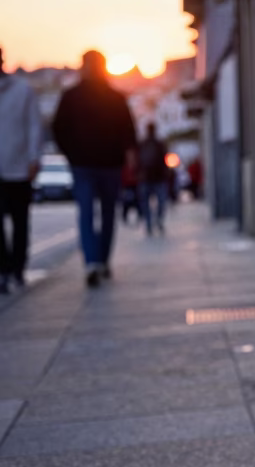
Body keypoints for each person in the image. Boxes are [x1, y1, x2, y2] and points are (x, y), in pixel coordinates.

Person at [52, 50, 137, 287]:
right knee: (105, 213)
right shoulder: (114, 97)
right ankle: (98, 260)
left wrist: (70, 153)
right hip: (102, 163)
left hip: (90, 163)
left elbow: (58, 129)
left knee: (89, 212)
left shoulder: (73, 96)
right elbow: (129, 131)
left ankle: (94, 261)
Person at [0, 46, 42, 294]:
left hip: (19, 166)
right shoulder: (23, 89)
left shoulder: (22, 90)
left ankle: (16, 267)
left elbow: (34, 125)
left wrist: (33, 158)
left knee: (20, 220)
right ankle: (5, 268)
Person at [136, 123, 169, 236]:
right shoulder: (146, 144)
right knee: (152, 202)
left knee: (156, 202)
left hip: (154, 177)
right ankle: (152, 223)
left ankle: (154, 222)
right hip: (149, 177)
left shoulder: (155, 144)